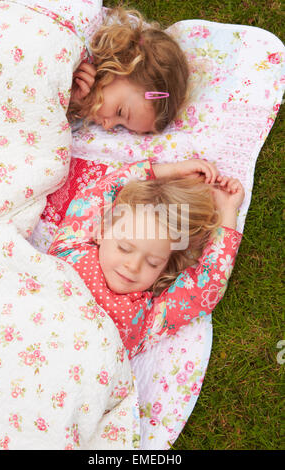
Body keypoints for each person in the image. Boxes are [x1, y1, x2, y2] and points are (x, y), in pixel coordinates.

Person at [48, 158, 244, 359]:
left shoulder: (149, 317)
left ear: (165, 266)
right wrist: (170, 170)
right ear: (102, 230)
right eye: (124, 248)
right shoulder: (70, 248)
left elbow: (205, 286)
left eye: (153, 262)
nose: (133, 266)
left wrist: (227, 210)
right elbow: (100, 192)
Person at [67, 5, 190, 134]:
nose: (107, 126)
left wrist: (71, 101)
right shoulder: (81, 49)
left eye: (120, 126)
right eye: (120, 112)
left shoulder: (82, 95)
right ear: (120, 67)